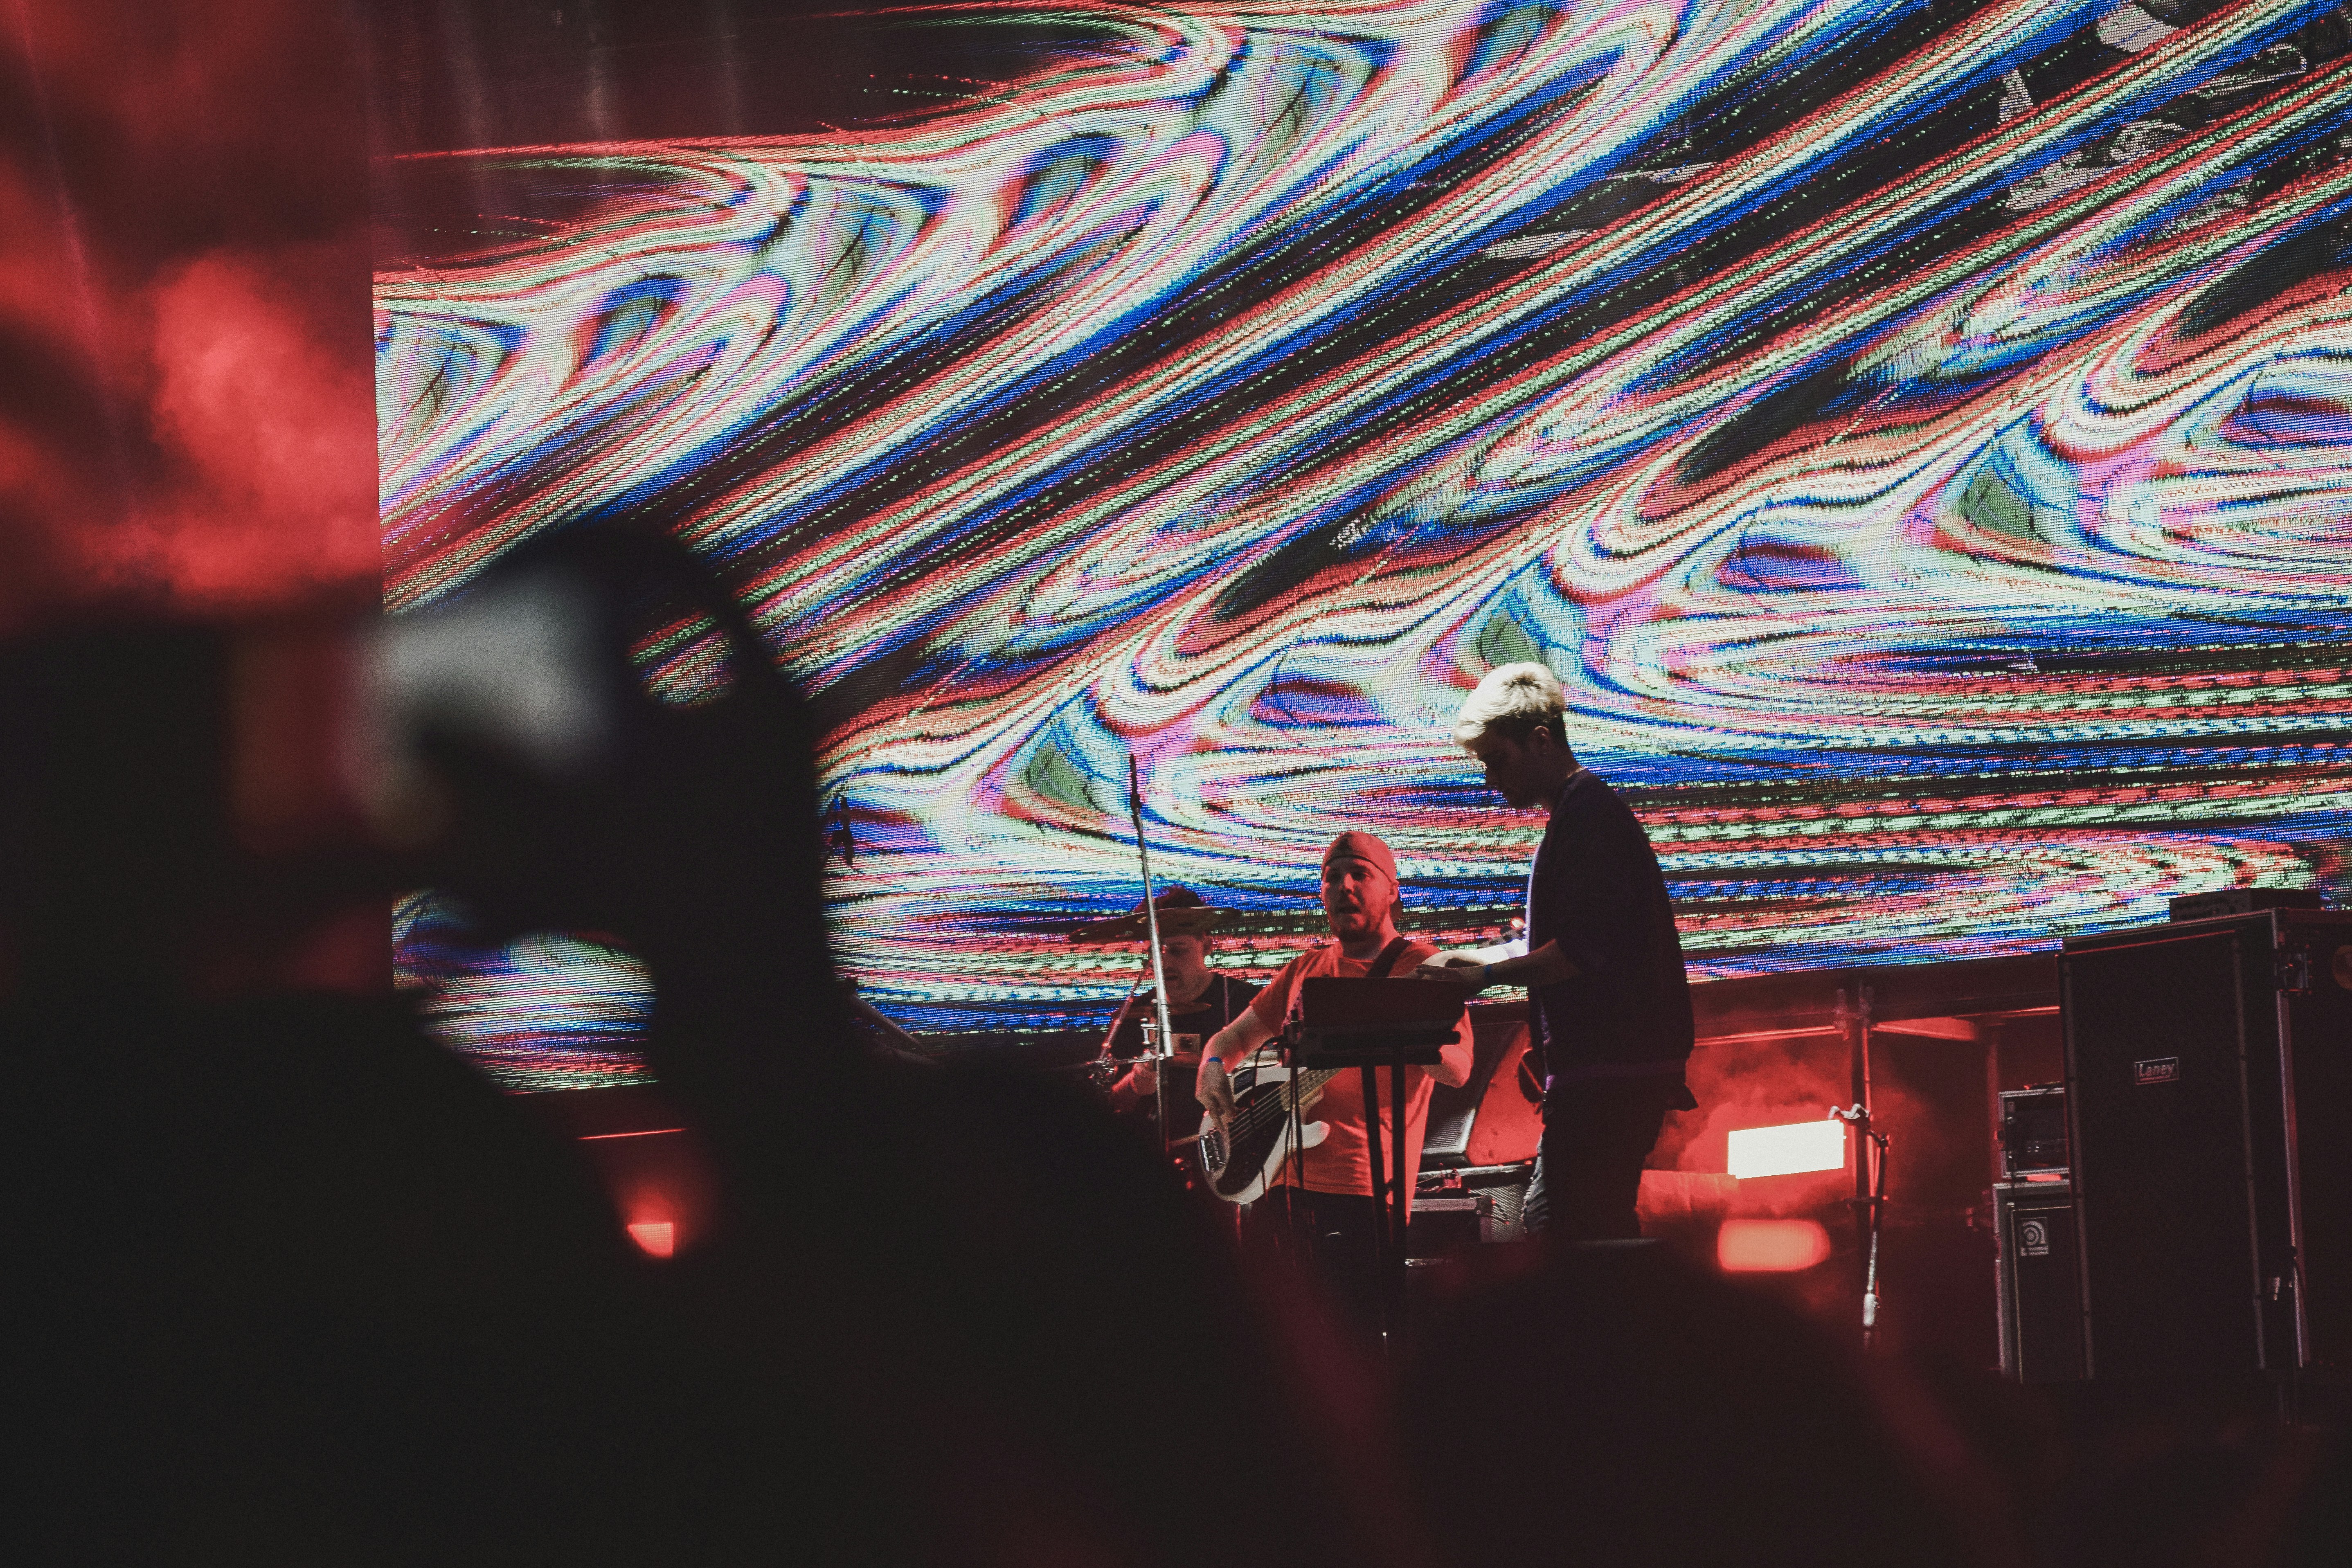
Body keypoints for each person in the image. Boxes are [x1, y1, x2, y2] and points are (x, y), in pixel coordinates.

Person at [1418, 663, 1695, 1242]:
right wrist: (1472, 960)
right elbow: (1571, 939)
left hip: (1611, 1071)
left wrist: (1486, 974)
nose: (1492, 780)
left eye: (1499, 760)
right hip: (1611, 1070)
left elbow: (1579, 951)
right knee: (1592, 1227)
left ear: (1540, 741)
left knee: (1566, 1229)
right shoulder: (1580, 816)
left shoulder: (1589, 820)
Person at [1196, 831, 1472, 1330]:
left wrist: (1411, 1017)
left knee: (1354, 1341)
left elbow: (1458, 1070)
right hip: (1277, 1184)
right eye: (1332, 877)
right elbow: (1225, 1042)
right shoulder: (1305, 968)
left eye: (1359, 874)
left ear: (1392, 889)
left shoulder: (1424, 967)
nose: (1343, 885)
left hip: (1363, 1191)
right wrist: (1212, 1068)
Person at [1098, 888, 1258, 1135]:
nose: (1166, 963)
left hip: (1235, 1144)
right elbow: (1108, 1105)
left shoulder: (1246, 1002)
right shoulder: (1132, 1015)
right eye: (1156, 953)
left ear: (1206, 945)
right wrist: (1135, 1083)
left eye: (1177, 950)